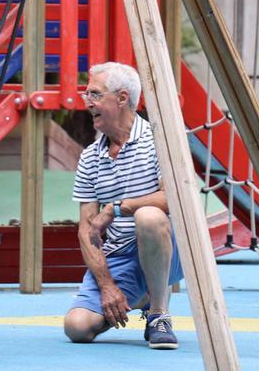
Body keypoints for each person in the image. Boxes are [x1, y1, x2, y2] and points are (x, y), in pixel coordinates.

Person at [63, 62, 183, 350]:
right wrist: (107, 285)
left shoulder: (160, 140)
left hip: (170, 246)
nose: (87, 102)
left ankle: (158, 314)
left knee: (149, 217)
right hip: (120, 254)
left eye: (94, 94)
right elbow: (86, 230)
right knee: (77, 327)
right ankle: (141, 294)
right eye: (87, 94)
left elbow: (174, 199)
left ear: (121, 98)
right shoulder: (91, 156)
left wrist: (116, 207)